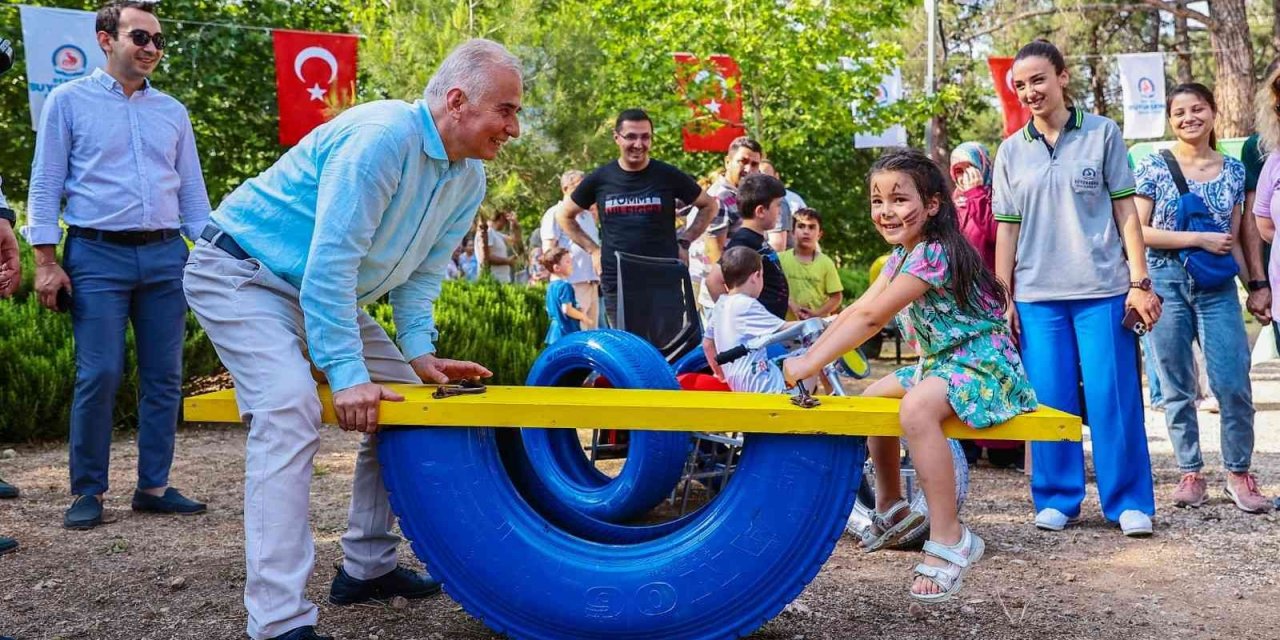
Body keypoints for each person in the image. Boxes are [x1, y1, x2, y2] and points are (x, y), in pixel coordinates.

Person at [183, 38, 519, 640]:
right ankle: (277, 620)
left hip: (315, 291)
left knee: (409, 401)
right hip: (241, 272)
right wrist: (345, 374)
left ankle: (367, 567)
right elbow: (332, 265)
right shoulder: (380, 138)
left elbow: (421, 275)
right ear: (458, 100)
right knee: (287, 407)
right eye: (507, 110)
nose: (514, 128)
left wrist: (417, 352)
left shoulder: (467, 178)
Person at [783, 148, 1037, 602]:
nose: (885, 210)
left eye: (899, 199)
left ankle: (950, 536)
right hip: (940, 363)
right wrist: (812, 359)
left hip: (983, 365)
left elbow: (872, 319)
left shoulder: (934, 253)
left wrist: (808, 365)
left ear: (933, 204)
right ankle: (890, 505)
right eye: (877, 200)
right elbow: (858, 309)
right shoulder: (903, 256)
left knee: (916, 410)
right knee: (872, 402)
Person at [23, 0, 210, 530]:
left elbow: (194, 198)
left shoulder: (172, 111)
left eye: (158, 40)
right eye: (140, 37)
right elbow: (45, 184)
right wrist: (45, 261)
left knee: (164, 377)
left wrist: (217, 255)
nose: (152, 48)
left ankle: (153, 487)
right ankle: (88, 490)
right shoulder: (67, 101)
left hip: (166, 255)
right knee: (99, 373)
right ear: (106, 39)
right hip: (96, 255)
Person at [993, 40, 1162, 537]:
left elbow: (1126, 211)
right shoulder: (1010, 151)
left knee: (1114, 398)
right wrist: (1004, 296)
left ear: (1062, 77)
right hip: (1036, 296)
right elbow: (1006, 229)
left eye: (1038, 79)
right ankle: (1056, 497)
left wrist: (1139, 281)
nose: (1030, 91)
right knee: (1050, 400)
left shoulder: (1103, 133)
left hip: (1103, 289)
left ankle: (1128, 500)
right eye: (1020, 85)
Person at [1133, 82, 1269, 513]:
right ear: (1170, 120)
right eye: (1179, 112)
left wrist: (1256, 287)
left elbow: (1237, 238)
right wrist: (1196, 239)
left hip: (1217, 286)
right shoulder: (1154, 165)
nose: (1189, 118)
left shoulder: (1234, 171)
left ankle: (1238, 472)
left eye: (1197, 109)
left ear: (1212, 112)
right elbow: (1137, 231)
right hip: (1164, 279)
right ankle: (1190, 471)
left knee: (1233, 381)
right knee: (1176, 384)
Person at [557, 108, 720, 328]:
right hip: (618, 280)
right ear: (617, 138)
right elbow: (564, 215)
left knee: (667, 344)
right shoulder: (601, 178)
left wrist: (685, 241)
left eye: (645, 137)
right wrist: (593, 250)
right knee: (627, 346)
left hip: (663, 279)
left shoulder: (667, 175)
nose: (638, 144)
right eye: (631, 136)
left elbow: (709, 206)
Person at [700, 246, 796, 390]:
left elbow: (707, 344)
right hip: (761, 384)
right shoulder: (746, 304)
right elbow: (785, 329)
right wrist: (824, 322)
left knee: (792, 360)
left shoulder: (721, 304)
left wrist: (721, 376)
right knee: (806, 359)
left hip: (738, 382)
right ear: (756, 276)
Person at [691, 137, 763, 318]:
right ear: (728, 162)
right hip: (718, 293)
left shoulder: (741, 196)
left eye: (755, 164)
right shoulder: (720, 196)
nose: (749, 169)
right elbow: (714, 251)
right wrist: (730, 300)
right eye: (743, 161)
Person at [703, 173, 790, 320]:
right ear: (761, 211)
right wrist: (735, 317)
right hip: (757, 328)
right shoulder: (743, 242)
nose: (780, 211)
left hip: (771, 324)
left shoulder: (756, 239)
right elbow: (713, 281)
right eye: (777, 205)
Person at [541, 170, 601, 328]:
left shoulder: (587, 216)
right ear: (565, 188)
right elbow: (549, 252)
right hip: (572, 284)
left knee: (591, 334)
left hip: (591, 282)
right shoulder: (554, 213)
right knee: (576, 333)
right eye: (579, 187)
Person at [779, 208, 843, 320]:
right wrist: (790, 303)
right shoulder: (780, 259)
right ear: (792, 232)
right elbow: (773, 289)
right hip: (785, 325)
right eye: (801, 226)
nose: (806, 231)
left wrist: (817, 314)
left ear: (819, 234)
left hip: (817, 325)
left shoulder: (826, 263)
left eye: (812, 227)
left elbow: (836, 297)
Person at [949, 142, 996, 270]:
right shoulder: (952, 203)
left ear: (983, 167)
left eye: (971, 169)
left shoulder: (997, 198)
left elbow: (996, 233)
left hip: (988, 278)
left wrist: (976, 194)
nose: (965, 176)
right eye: (959, 171)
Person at [541, 247, 589, 344]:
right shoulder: (565, 286)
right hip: (566, 330)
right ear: (557, 268)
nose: (572, 265)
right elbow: (567, 309)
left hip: (554, 332)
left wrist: (577, 309)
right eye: (568, 262)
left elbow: (551, 308)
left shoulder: (550, 287)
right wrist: (582, 316)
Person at [760, 159, 806, 251]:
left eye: (767, 177)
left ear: (776, 176)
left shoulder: (780, 202)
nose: (762, 182)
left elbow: (777, 247)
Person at [481, 210, 522, 283]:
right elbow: (487, 257)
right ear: (501, 218)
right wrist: (508, 261)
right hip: (494, 279)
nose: (505, 224)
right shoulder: (489, 232)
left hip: (503, 279)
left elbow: (515, 240)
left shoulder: (497, 234)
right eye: (506, 221)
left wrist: (515, 225)